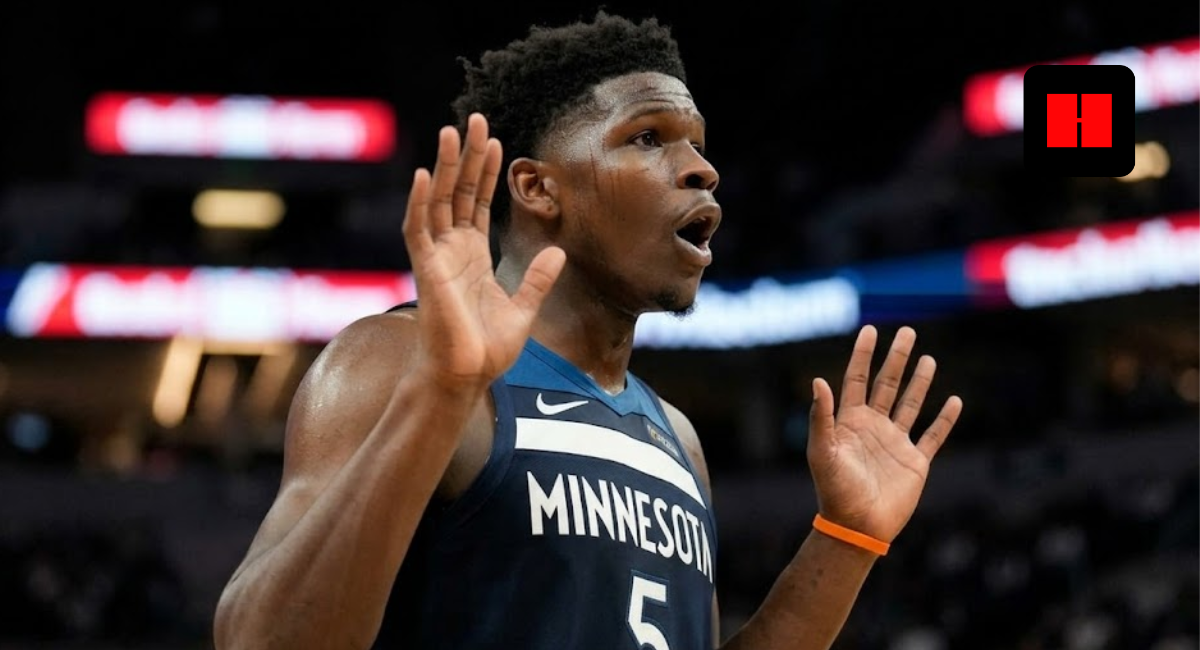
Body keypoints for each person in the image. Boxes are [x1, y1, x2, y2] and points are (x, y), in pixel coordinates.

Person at [213, 11, 963, 650]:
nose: (702, 168)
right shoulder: (393, 358)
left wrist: (845, 538)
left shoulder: (676, 437)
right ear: (539, 188)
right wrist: (442, 391)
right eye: (647, 138)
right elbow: (260, 638)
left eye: (698, 143)